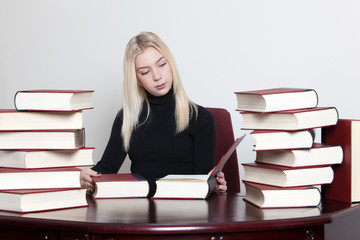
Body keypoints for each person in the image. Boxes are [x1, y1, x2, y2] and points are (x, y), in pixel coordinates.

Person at [80, 31, 227, 196]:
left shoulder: (201, 118)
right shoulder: (126, 119)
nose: (157, 76)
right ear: (137, 80)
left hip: (185, 209)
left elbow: (202, 181)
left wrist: (213, 185)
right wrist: (88, 176)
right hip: (141, 210)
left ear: (171, 64)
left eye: (162, 64)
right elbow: (107, 168)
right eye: (145, 72)